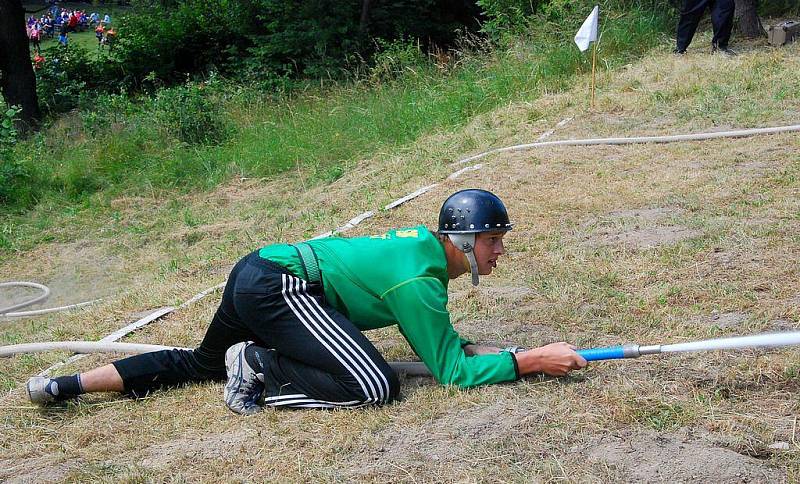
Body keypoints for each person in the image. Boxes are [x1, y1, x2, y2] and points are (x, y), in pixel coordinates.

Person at [26, 189, 587, 414]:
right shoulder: (418, 280)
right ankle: (258, 364)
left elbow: (440, 343)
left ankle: (67, 386)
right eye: (494, 240)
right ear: (463, 240)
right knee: (375, 386)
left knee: (197, 365)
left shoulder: (422, 258)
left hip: (260, 269)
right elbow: (452, 373)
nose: (499, 251)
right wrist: (530, 361)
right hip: (282, 287)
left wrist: (485, 350)